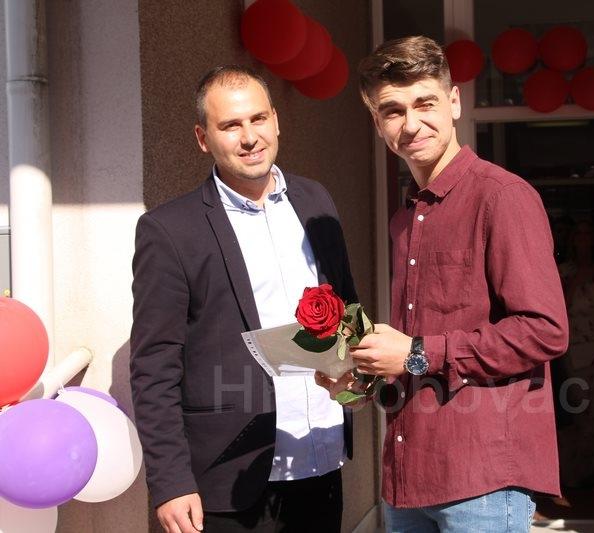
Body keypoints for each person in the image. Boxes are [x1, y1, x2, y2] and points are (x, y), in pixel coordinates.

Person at [318, 36, 568, 532]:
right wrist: (366, 381)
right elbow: (421, 348)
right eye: (392, 111)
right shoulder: (405, 219)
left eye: (425, 103)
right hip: (408, 472)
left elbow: (545, 331)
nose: (410, 124)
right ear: (377, 123)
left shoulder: (502, 196)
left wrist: (414, 353)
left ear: (454, 102)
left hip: (483, 477)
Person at [130, 65, 357, 533]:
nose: (250, 137)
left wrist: (357, 385)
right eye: (231, 125)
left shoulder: (316, 201)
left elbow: (349, 314)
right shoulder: (169, 231)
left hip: (320, 458)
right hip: (228, 483)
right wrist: (170, 481)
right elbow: (154, 366)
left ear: (276, 120)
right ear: (203, 138)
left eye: (258, 119)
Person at [556, 220, 594, 489]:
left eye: (587, 233)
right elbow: (557, 309)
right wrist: (574, 283)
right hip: (572, 349)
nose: (583, 239)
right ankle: (575, 475)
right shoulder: (563, 271)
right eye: (578, 233)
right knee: (577, 411)